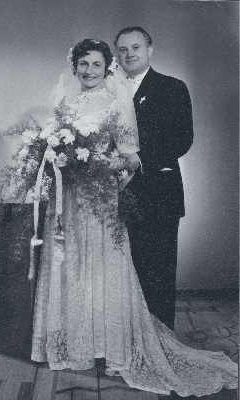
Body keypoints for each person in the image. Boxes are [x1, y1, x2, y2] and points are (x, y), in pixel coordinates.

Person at [31, 39, 237, 397]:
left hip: (100, 199)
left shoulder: (116, 102)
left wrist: (98, 170)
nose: (89, 71)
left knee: (105, 267)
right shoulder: (63, 103)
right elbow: (52, 149)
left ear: (107, 68)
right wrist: (55, 158)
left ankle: (112, 344)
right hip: (69, 198)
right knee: (72, 266)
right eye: (84, 64)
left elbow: (129, 155)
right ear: (74, 67)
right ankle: (78, 343)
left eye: (97, 65)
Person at [115, 27, 194, 330]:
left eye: (136, 47)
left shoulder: (172, 87)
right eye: (122, 49)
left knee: (158, 272)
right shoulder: (109, 91)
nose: (129, 54)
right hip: (115, 195)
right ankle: (126, 343)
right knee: (122, 273)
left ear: (150, 49)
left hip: (159, 192)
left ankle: (161, 343)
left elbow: (182, 138)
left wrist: (140, 159)